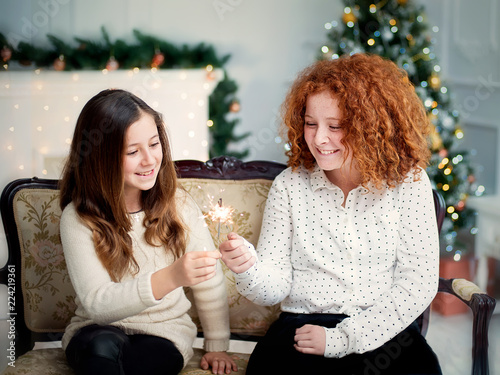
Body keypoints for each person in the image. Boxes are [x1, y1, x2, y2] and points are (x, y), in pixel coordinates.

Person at [219, 53, 442, 374]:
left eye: (335, 126)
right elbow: (275, 288)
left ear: (372, 127)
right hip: (302, 327)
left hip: (381, 327)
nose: (319, 139)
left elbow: (417, 285)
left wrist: (343, 339)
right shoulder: (290, 185)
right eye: (311, 123)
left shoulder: (410, 182)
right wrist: (249, 268)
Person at [59, 89, 237, 375]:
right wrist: (171, 277)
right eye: (132, 152)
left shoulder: (178, 204)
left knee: (146, 360)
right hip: (96, 330)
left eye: (154, 144)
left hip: (164, 334)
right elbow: (98, 304)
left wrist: (217, 344)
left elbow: (209, 280)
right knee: (103, 346)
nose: (149, 160)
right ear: (100, 158)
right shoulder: (78, 218)